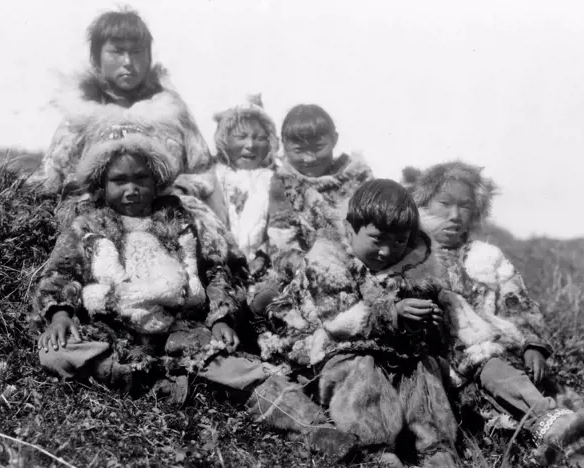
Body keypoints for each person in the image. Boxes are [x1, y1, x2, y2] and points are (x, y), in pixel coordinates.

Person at [31, 107, 356, 459]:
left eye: (140, 178)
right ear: (100, 182)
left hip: (180, 328)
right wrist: (60, 314)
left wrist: (220, 318)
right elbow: (60, 272)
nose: (131, 190)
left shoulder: (178, 217)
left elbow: (216, 269)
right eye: (119, 180)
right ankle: (161, 381)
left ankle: (314, 428)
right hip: (115, 329)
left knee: (240, 367)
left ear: (157, 178)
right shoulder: (87, 223)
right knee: (55, 353)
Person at [407, 161, 584, 467]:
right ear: (423, 203)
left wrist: (532, 343)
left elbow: (518, 303)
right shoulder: (411, 257)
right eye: (444, 204)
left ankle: (565, 439)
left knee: (508, 376)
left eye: (465, 206)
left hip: (492, 358)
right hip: (440, 361)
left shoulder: (488, 258)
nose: (455, 216)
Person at [257, 179, 460, 468]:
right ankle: (374, 449)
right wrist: (392, 313)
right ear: (350, 231)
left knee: (422, 368)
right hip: (324, 351)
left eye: (399, 241)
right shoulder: (327, 260)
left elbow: (414, 329)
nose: (388, 252)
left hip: (387, 353)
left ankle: (436, 449)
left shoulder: (415, 266)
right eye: (377, 239)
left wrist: (422, 323)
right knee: (362, 368)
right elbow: (335, 321)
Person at [30, 8, 228, 225]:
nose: (128, 62)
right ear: (96, 59)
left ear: (149, 56)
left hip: (168, 224)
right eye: (117, 52)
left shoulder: (172, 114)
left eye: (136, 52)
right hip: (93, 227)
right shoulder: (78, 117)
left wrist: (175, 192)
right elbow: (51, 179)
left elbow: (204, 172)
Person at [249, 103, 373, 315]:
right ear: (284, 146)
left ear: (334, 139)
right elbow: (282, 238)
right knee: (269, 299)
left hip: (360, 261)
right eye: (299, 150)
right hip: (306, 265)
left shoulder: (357, 176)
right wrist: (311, 268)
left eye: (317, 148)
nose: (309, 158)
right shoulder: (285, 182)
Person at [212, 94, 278, 266]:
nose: (250, 145)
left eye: (260, 138)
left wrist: (264, 255)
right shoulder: (211, 179)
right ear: (224, 140)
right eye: (241, 137)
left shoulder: (277, 181)